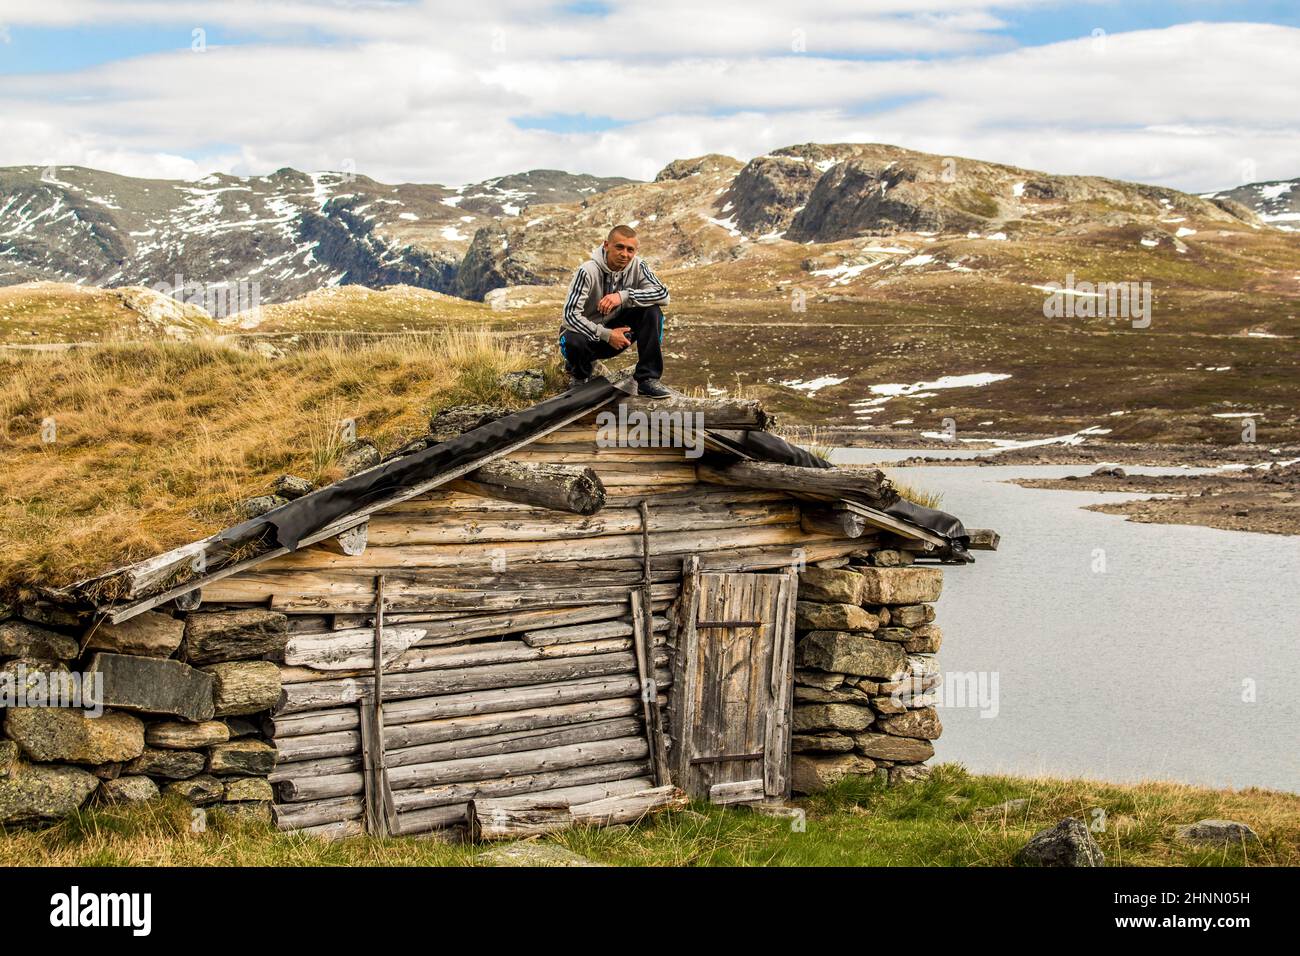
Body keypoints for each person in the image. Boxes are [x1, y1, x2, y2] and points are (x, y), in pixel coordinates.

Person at [558, 224, 671, 398]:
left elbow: (663, 294)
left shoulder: (638, 266)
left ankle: (647, 379)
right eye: (619, 247)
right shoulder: (587, 271)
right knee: (572, 338)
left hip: (620, 336)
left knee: (652, 311)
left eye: (630, 250)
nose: (624, 254)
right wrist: (607, 334)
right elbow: (570, 316)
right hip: (586, 339)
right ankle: (579, 375)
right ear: (606, 245)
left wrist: (623, 296)